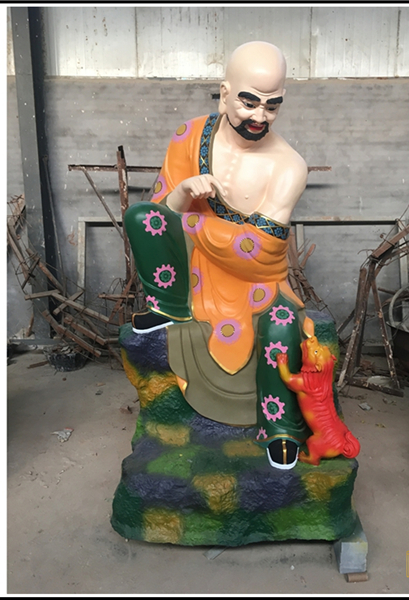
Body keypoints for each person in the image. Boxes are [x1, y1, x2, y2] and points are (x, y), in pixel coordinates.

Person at [124, 41, 315, 469]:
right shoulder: (190, 136)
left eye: (272, 106)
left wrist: (193, 221)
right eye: (249, 102)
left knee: (283, 325)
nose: (259, 116)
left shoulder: (288, 166)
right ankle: (169, 305)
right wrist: (182, 193)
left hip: (256, 281)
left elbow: (263, 250)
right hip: (191, 265)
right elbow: (160, 213)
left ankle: (280, 425)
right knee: (140, 218)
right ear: (225, 93)